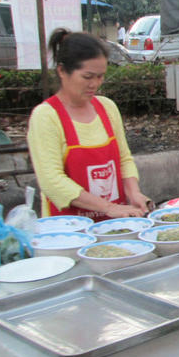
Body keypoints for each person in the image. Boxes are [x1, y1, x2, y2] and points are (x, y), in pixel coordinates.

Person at [28, 29, 151, 219]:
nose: (95, 84)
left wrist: (133, 193)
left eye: (100, 76)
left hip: (115, 226)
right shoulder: (46, 116)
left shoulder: (107, 108)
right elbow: (52, 181)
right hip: (68, 232)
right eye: (87, 77)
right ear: (62, 71)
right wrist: (108, 207)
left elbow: (124, 159)